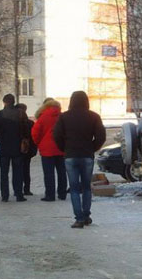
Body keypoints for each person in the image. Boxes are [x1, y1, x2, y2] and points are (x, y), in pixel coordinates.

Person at [53, 91, 105, 228]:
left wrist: (65, 148)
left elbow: (56, 135)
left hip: (70, 155)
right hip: (87, 155)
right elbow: (101, 136)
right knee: (86, 187)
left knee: (74, 188)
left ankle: (79, 218)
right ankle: (86, 215)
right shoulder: (94, 116)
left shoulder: (64, 117)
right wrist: (92, 148)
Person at [0, 94, 30, 202]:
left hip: (4, 147)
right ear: (14, 102)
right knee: (18, 172)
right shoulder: (21, 113)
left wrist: (1, 139)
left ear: (4, 102)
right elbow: (26, 129)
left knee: (4, 173)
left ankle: (5, 196)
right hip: (17, 147)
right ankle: (19, 194)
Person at [32, 98, 67, 202]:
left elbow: (35, 132)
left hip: (47, 150)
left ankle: (50, 195)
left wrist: (39, 143)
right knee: (62, 172)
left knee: (49, 174)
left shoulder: (43, 117)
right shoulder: (63, 117)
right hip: (61, 148)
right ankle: (62, 193)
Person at [15, 103, 37, 196]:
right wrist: (33, 150)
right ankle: (26, 189)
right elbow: (33, 138)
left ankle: (17, 189)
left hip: (16, 150)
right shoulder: (30, 123)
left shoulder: (14, 123)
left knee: (17, 170)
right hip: (27, 150)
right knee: (26, 170)